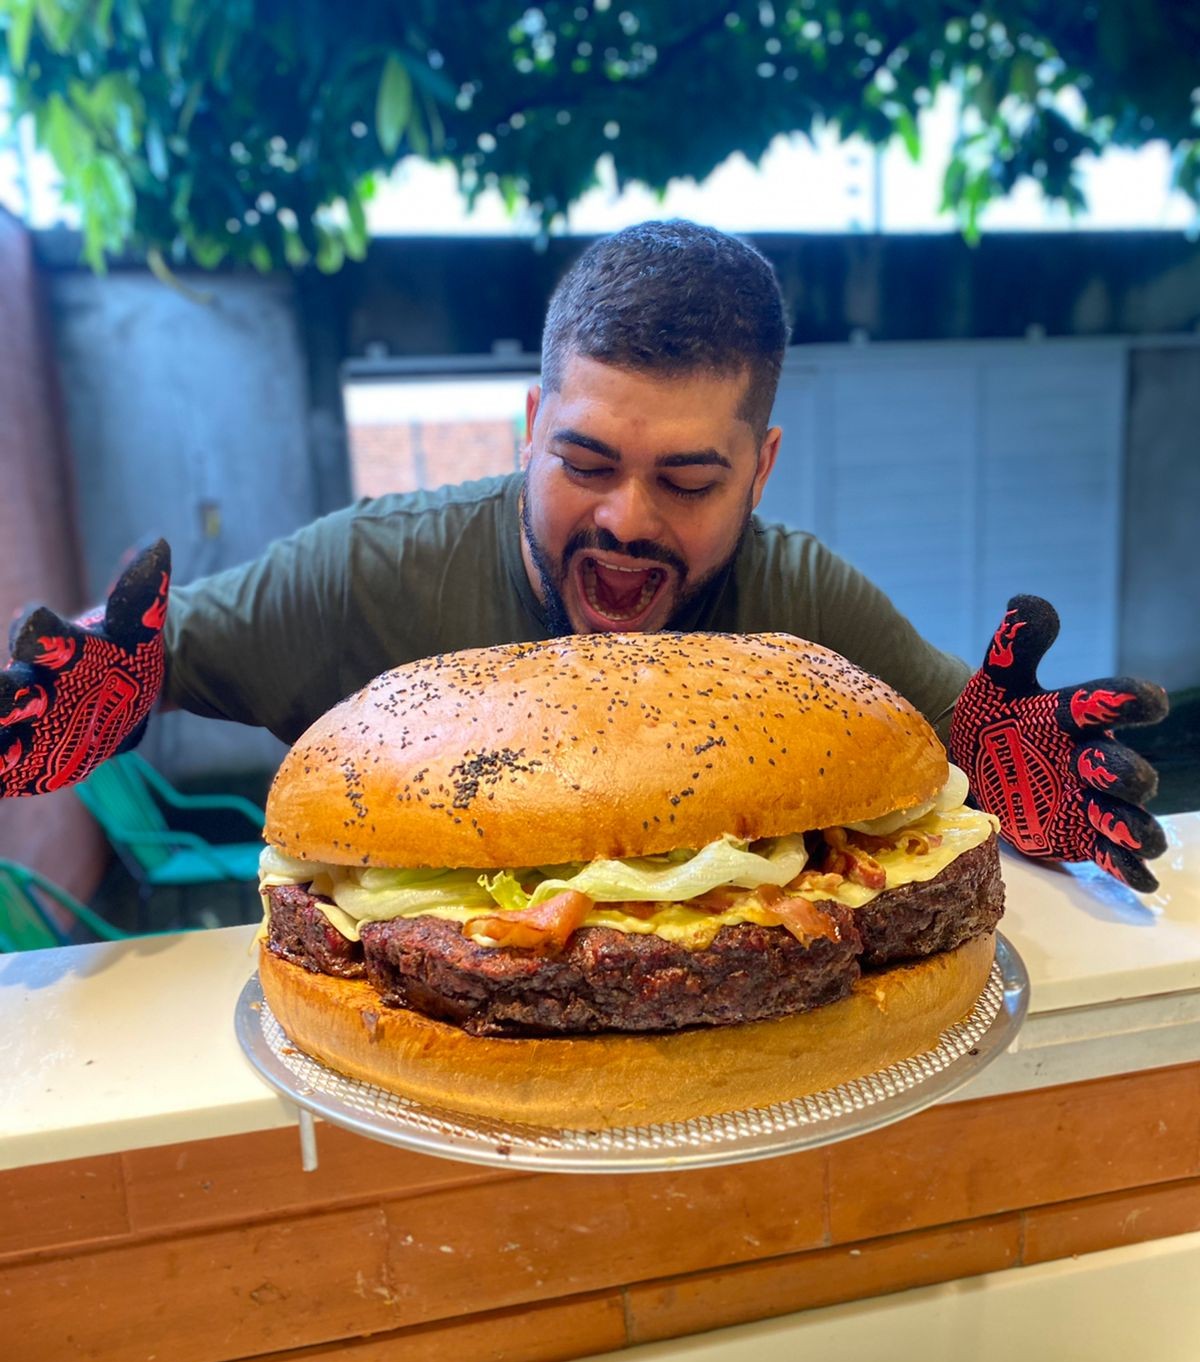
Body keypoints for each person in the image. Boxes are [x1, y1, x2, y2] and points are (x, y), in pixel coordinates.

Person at [0, 221, 1168, 888]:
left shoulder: (800, 601)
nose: (624, 519)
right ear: (528, 429)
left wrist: (1030, 795)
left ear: (759, 473)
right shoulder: (368, 573)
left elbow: (975, 761)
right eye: (586, 461)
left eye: (691, 480)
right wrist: (106, 687)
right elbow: (149, 657)